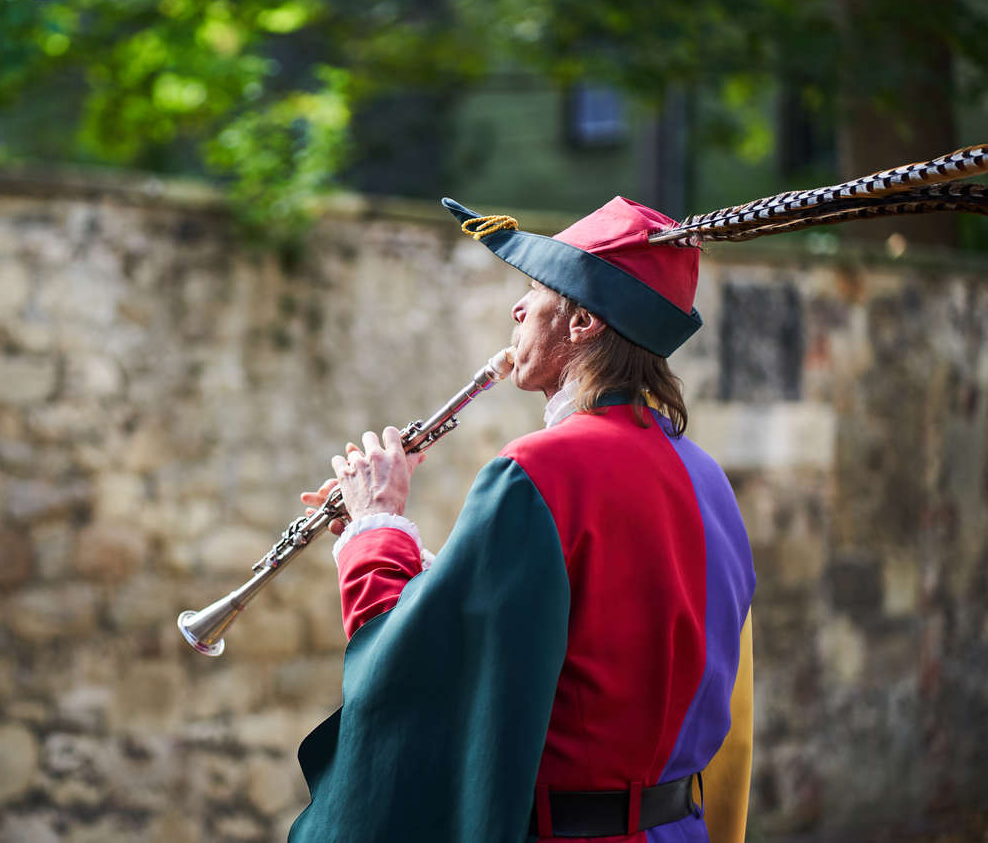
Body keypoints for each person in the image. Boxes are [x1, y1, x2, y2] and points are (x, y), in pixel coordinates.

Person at [289, 196, 756, 843]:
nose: (518, 308)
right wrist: (439, 569)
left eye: (535, 290)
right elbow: (572, 629)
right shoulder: (709, 480)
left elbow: (415, 678)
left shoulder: (539, 471)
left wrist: (375, 528)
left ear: (584, 320)